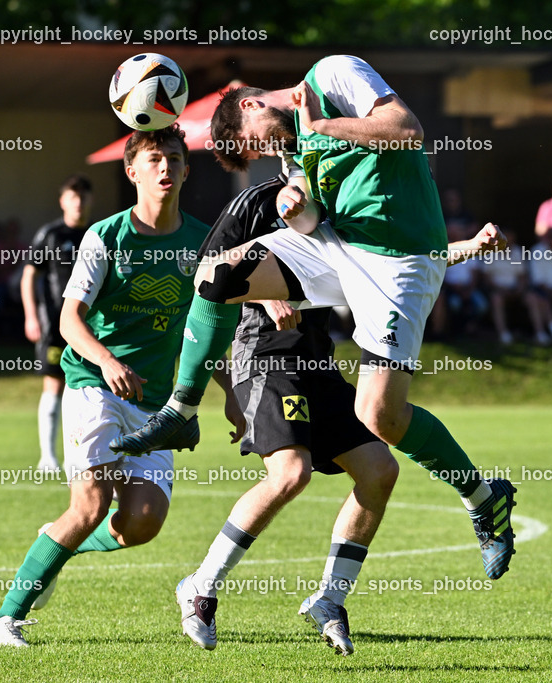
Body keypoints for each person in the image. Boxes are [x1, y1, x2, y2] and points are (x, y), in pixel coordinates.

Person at [112, 55, 518, 585]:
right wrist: (294, 206)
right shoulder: (295, 154)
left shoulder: (333, 76)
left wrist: (319, 127)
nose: (270, 152)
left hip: (398, 260)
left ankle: (483, 497)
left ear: (253, 104)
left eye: (259, 142)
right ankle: (182, 408)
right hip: (338, 252)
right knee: (216, 277)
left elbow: (406, 130)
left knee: (380, 417)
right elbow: (312, 221)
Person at [175, 172, 505, 655]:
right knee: (290, 474)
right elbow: (207, 274)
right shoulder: (253, 203)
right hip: (262, 356)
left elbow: (394, 265)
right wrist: (258, 315)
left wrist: (469, 247)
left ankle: (330, 599)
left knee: (379, 470)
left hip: (316, 361)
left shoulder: (329, 207)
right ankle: (200, 587)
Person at [0, 125, 242, 648]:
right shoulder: (107, 236)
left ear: (188, 170)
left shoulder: (204, 242)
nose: (165, 167)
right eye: (153, 159)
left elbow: (207, 329)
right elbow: (69, 322)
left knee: (143, 522)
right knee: (91, 504)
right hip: (92, 385)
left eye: (173, 158)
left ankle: (55, 546)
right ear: (132, 171)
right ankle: (4, 620)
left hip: (156, 405)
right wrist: (104, 362)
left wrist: (232, 394)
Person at [20, 176, 94, 472]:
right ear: (63, 201)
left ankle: (78, 457)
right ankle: (47, 457)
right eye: (72, 197)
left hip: (90, 328)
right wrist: (31, 315)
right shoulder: (50, 235)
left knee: (88, 388)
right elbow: (29, 276)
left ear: (91, 201)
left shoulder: (97, 234)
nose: (78, 203)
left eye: (83, 197)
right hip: (53, 325)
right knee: (53, 384)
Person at [481, 228, 526, 345]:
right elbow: (486, 278)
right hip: (497, 290)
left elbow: (522, 276)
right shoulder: (490, 252)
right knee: (497, 299)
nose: (508, 243)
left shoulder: (518, 252)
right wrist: (500, 290)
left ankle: (539, 333)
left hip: (514, 290)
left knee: (533, 298)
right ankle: (503, 333)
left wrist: (519, 289)